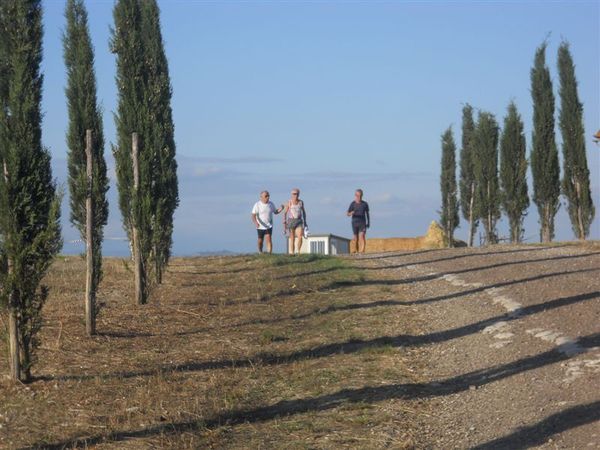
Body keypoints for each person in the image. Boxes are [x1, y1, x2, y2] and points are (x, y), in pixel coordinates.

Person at [283, 188, 307, 255]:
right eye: (294, 194)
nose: (295, 195)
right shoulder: (289, 202)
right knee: (292, 238)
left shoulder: (301, 202)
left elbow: (304, 212)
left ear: (298, 194)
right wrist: (284, 222)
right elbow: (285, 213)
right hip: (291, 221)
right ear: (291, 194)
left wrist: (305, 222)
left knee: (300, 237)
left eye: (296, 194)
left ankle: (299, 251)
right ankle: (292, 252)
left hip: (299, 220)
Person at [347, 189, 370, 253]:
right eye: (357, 196)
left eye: (360, 196)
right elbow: (347, 213)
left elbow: (367, 214)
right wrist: (351, 213)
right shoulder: (352, 204)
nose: (358, 197)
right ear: (355, 195)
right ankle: (356, 251)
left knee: (362, 237)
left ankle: (362, 251)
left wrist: (368, 222)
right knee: (355, 238)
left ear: (362, 196)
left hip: (362, 223)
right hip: (354, 223)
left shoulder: (365, 204)